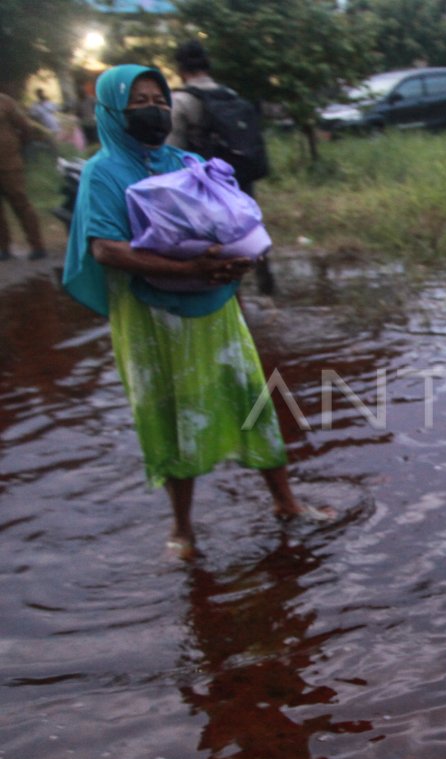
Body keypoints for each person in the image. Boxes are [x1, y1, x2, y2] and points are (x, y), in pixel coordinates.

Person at [61, 64, 327, 558]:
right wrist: (192, 269)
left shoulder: (185, 160)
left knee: (250, 397)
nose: (153, 109)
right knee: (171, 412)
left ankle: (285, 502)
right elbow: (106, 250)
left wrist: (234, 256)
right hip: (152, 316)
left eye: (158, 99)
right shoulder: (104, 172)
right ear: (112, 111)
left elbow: (225, 220)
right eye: (137, 102)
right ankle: (182, 528)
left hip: (213, 304)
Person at [168, 39, 275, 295]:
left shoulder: (180, 101)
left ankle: (232, 300)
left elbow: (171, 150)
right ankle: (265, 282)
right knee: (249, 230)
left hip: (204, 186)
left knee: (215, 246)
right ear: (208, 66)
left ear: (180, 69)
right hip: (239, 179)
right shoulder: (230, 96)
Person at [0, 91, 48, 261]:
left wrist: (17, 147)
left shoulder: (5, 102)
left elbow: (25, 127)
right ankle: (4, 248)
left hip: (9, 164)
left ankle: (37, 245)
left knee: (21, 204)